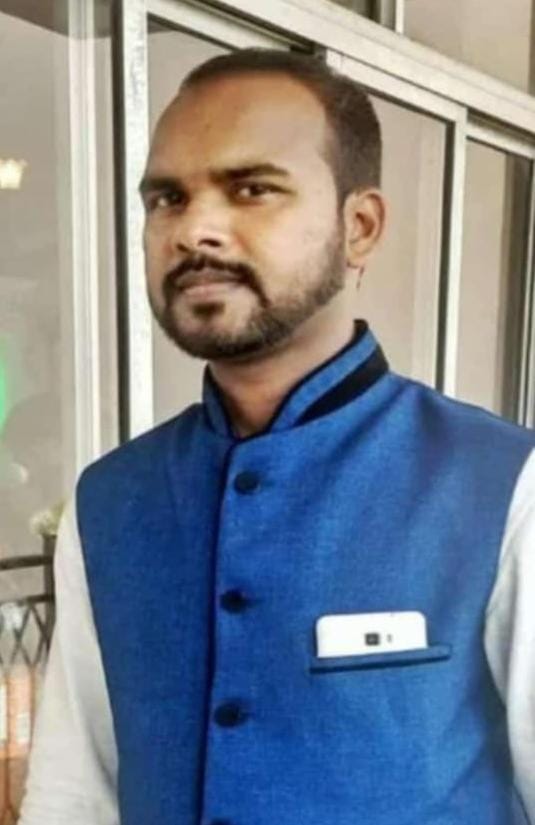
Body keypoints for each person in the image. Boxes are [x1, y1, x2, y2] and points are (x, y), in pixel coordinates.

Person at [19, 49, 535, 825]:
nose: (195, 229)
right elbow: (74, 789)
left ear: (358, 227)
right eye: (167, 198)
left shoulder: (501, 483)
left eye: (251, 188)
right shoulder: (111, 498)